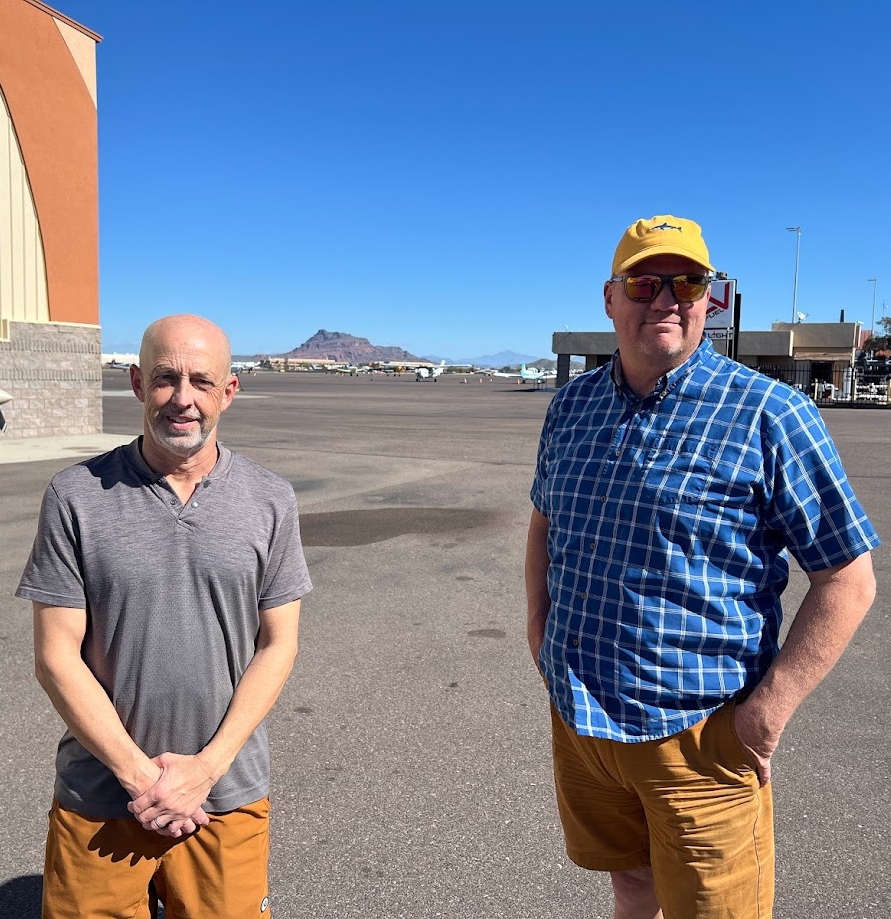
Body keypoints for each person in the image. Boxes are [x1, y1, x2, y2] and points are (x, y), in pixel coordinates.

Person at [525, 216, 879, 919]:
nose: (666, 297)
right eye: (644, 281)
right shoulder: (570, 406)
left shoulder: (769, 412)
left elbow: (848, 576)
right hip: (581, 722)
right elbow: (544, 519)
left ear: (709, 298)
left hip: (700, 736)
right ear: (609, 297)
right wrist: (537, 628)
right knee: (629, 885)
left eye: (687, 281)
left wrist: (764, 716)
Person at [18, 314, 312, 918]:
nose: (182, 399)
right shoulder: (75, 496)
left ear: (228, 391)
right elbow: (55, 656)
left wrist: (204, 771)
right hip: (101, 795)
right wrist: (141, 779)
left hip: (225, 795)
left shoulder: (269, 498)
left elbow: (277, 644)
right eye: (164, 379)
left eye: (202, 381)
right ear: (135, 383)